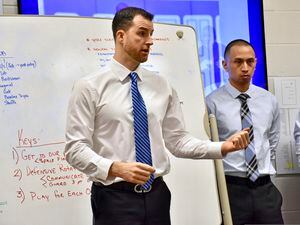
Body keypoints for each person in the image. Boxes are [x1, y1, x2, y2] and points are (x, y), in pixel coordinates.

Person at [64, 8, 250, 225]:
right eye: (142, 33)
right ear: (121, 36)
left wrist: (221, 147)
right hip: (114, 198)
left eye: (151, 34)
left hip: (157, 196)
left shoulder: (162, 86)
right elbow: (75, 149)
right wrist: (115, 168)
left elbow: (178, 141)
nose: (150, 41)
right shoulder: (89, 87)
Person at [206, 39, 284, 225]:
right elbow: (209, 144)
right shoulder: (212, 102)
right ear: (225, 65)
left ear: (256, 63)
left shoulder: (268, 100)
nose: (245, 67)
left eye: (250, 61)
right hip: (232, 188)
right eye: (238, 61)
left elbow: (271, 140)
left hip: (265, 189)